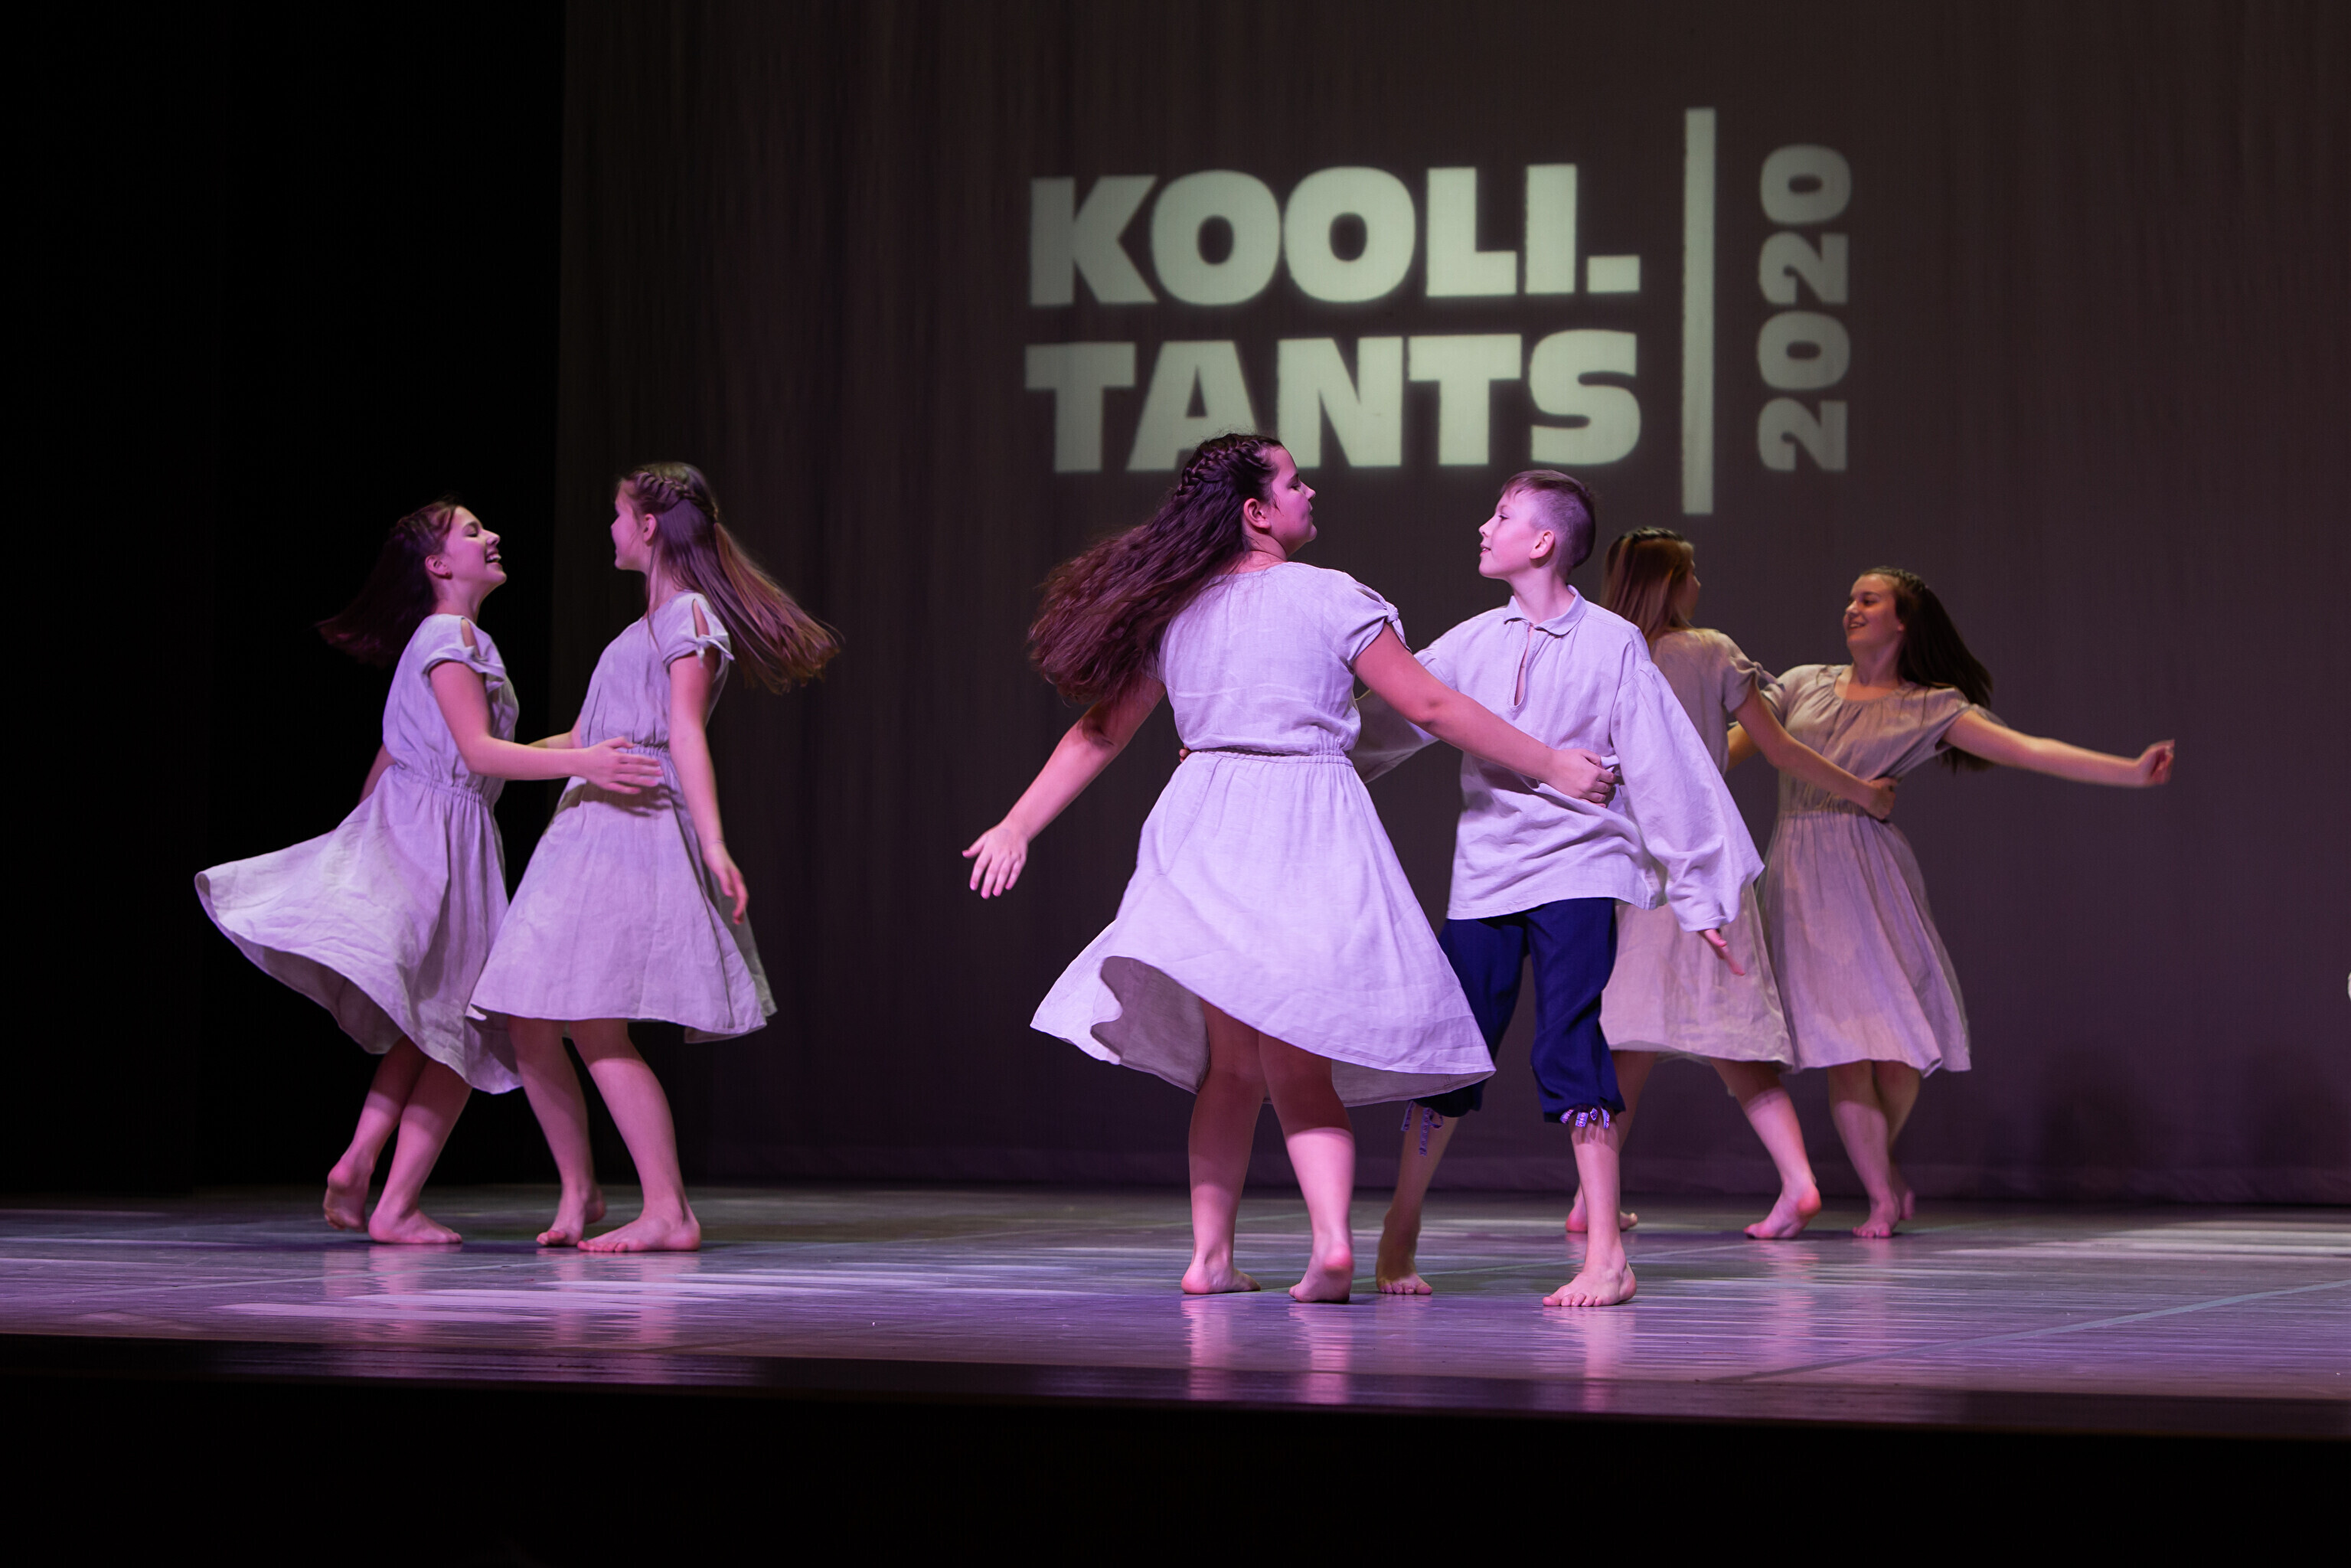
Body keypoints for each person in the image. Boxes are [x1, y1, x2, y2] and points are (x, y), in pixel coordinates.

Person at [965, 435, 1616, 1303]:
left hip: (1207, 824)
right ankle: (1329, 1246)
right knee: (1299, 1062)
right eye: (1293, 481)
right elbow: (1428, 704)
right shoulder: (1331, 595)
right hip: (1306, 822)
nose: (1310, 492)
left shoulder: (1177, 608)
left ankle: (1209, 1257)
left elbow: (1100, 733)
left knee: (1230, 1065)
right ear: (1256, 512)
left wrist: (1017, 824)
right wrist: (1551, 762)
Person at [1334, 474, 1752, 1305]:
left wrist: (1700, 890)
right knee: (1450, 1050)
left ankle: (1606, 1254)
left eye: (1501, 516)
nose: (1482, 527)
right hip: (1485, 875)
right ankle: (1400, 1224)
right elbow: (1383, 719)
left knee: (1570, 1041)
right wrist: (1279, 753)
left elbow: (1666, 763)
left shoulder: (1611, 642)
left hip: (1580, 867)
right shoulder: (1471, 640)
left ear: (1542, 542)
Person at [196, 498, 661, 1243]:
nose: (492, 536)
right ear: (438, 564)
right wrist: (586, 763)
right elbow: (477, 753)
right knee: (465, 1022)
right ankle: (391, 1195)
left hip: (439, 829)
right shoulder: (450, 635)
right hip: (436, 833)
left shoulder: (454, 637)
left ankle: (364, 1167)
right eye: (472, 532)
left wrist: (581, 745)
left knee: (436, 1020)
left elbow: (400, 751)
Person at [472, 462, 838, 1252]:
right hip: (585, 826)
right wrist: (489, 763)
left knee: (592, 1020)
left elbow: (683, 732)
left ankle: (668, 1210)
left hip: (629, 826)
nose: (609, 529)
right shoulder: (641, 627)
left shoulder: (688, 614)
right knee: (529, 1016)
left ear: (646, 525)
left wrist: (713, 841)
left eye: (616, 514)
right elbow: (583, 738)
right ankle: (580, 1191)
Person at [1761, 567, 2175, 1236]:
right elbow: (1738, 741)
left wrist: (2128, 772)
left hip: (1869, 872)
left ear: (1902, 621)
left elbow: (2026, 750)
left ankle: (1882, 1167)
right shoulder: (1803, 682)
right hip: (1803, 875)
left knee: (1899, 1054)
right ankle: (1880, 1195)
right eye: (1851, 598)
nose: (1851, 608)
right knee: (1844, 1052)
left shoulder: (1928, 706)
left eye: (1868, 600)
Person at [1582, 528, 1895, 1241]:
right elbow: (1778, 746)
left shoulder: (1602, 651)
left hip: (1634, 858)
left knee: (1624, 1036)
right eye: (1690, 573)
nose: (1699, 586)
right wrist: (1864, 793)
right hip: (1701, 856)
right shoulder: (1708, 650)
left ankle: (1591, 1198)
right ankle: (1795, 1181)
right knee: (1715, 1033)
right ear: (1669, 584)